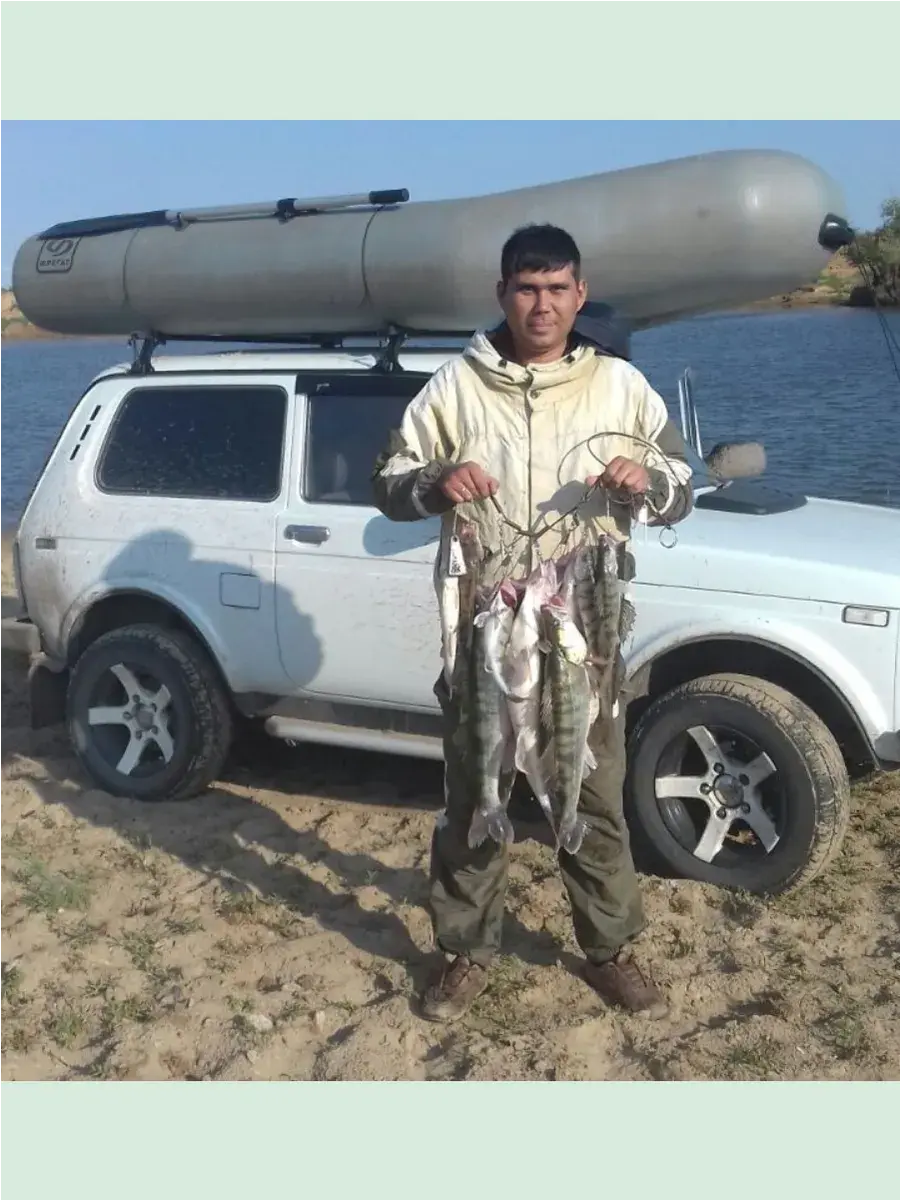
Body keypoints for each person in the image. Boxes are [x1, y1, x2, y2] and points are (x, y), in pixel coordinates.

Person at [372, 223, 694, 1024]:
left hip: (580, 635)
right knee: (473, 795)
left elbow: (681, 488)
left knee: (593, 794)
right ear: (503, 293)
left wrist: (647, 480)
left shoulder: (621, 387)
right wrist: (438, 481)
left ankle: (609, 949)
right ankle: (464, 949)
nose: (541, 305)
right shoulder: (454, 387)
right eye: (527, 288)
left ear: (580, 295)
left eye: (556, 289)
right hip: (482, 627)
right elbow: (388, 483)